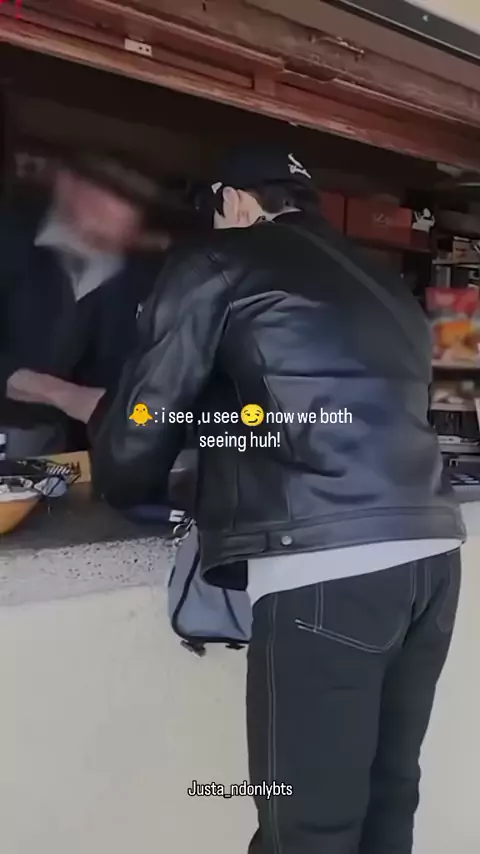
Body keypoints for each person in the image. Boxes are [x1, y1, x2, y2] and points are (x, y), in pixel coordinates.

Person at [84, 146, 466, 854]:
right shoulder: (384, 285)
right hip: (434, 560)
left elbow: (144, 419)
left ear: (232, 200)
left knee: (308, 828)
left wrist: (119, 478)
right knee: (389, 798)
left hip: (326, 572)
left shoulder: (218, 261)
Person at [0, 152, 160, 457]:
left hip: (54, 443)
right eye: (104, 199)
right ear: (67, 183)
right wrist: (63, 394)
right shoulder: (9, 238)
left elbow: (117, 369)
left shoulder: (134, 277)